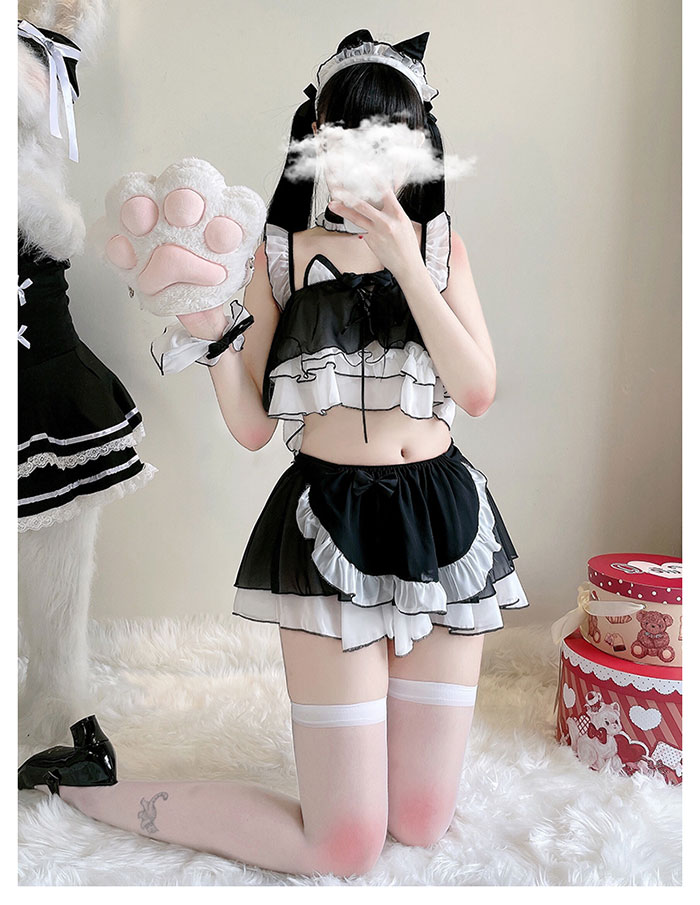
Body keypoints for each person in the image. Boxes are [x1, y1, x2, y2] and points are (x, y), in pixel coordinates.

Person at [19, 28, 529, 878]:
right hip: (329, 524)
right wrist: (210, 333)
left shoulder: (442, 246)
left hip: (444, 523)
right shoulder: (282, 256)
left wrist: (405, 261)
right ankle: (89, 791)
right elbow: (256, 426)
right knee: (345, 844)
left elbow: (476, 390)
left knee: (420, 823)